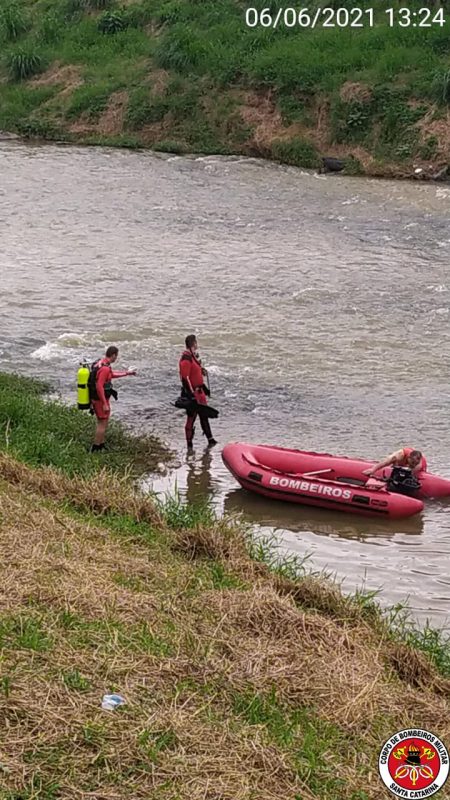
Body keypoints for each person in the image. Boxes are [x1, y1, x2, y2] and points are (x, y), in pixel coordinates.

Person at [90, 346, 136, 452]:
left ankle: (101, 444)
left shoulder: (101, 363)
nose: (117, 358)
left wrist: (127, 373)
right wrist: (104, 403)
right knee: (102, 423)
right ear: (114, 355)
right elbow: (99, 386)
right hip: (100, 400)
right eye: (117, 356)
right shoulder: (105, 368)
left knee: (103, 422)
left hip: (97, 399)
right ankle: (96, 448)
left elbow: (111, 375)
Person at [179, 335, 217, 450]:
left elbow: (194, 373)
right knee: (191, 418)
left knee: (204, 415)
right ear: (194, 343)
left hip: (200, 392)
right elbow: (185, 378)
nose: (197, 344)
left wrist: (201, 373)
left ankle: (211, 440)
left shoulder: (193, 357)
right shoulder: (186, 358)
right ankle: (189, 445)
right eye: (196, 342)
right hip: (193, 393)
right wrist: (191, 395)